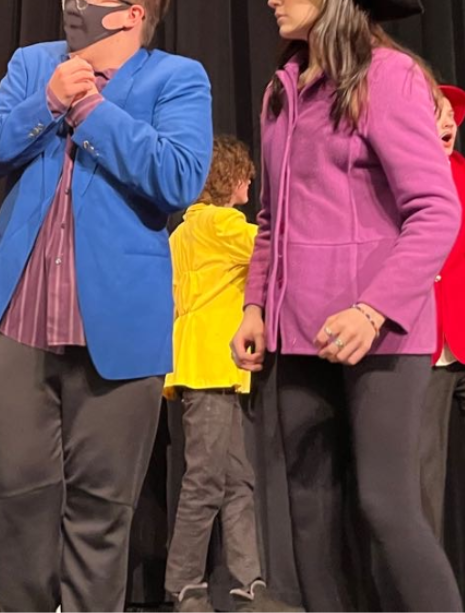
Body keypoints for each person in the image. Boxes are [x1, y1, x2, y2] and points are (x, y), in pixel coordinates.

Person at [0, 0, 213, 612]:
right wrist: (46, 102)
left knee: (101, 510)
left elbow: (179, 177)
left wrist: (91, 109)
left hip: (118, 324)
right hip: (14, 318)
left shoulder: (175, 78)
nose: (74, 3)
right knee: (19, 499)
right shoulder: (34, 62)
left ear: (133, 15)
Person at [227, 0, 463, 612]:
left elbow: (435, 210)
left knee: (385, 505)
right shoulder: (282, 93)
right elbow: (269, 220)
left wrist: (372, 307)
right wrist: (253, 305)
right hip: (297, 333)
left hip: (379, 333)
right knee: (308, 510)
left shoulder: (386, 76)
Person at [165, 136, 297, 613]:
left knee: (236, 479)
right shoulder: (223, 224)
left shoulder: (183, 230)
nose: (250, 183)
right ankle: (184, 586)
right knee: (204, 479)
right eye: (244, 174)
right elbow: (275, 252)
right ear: (229, 179)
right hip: (212, 366)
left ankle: (247, 587)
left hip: (204, 365)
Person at [420, 84, 465, 541]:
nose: (446, 123)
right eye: (434, 112)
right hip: (420, 348)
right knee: (421, 483)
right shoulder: (393, 181)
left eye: (450, 116)